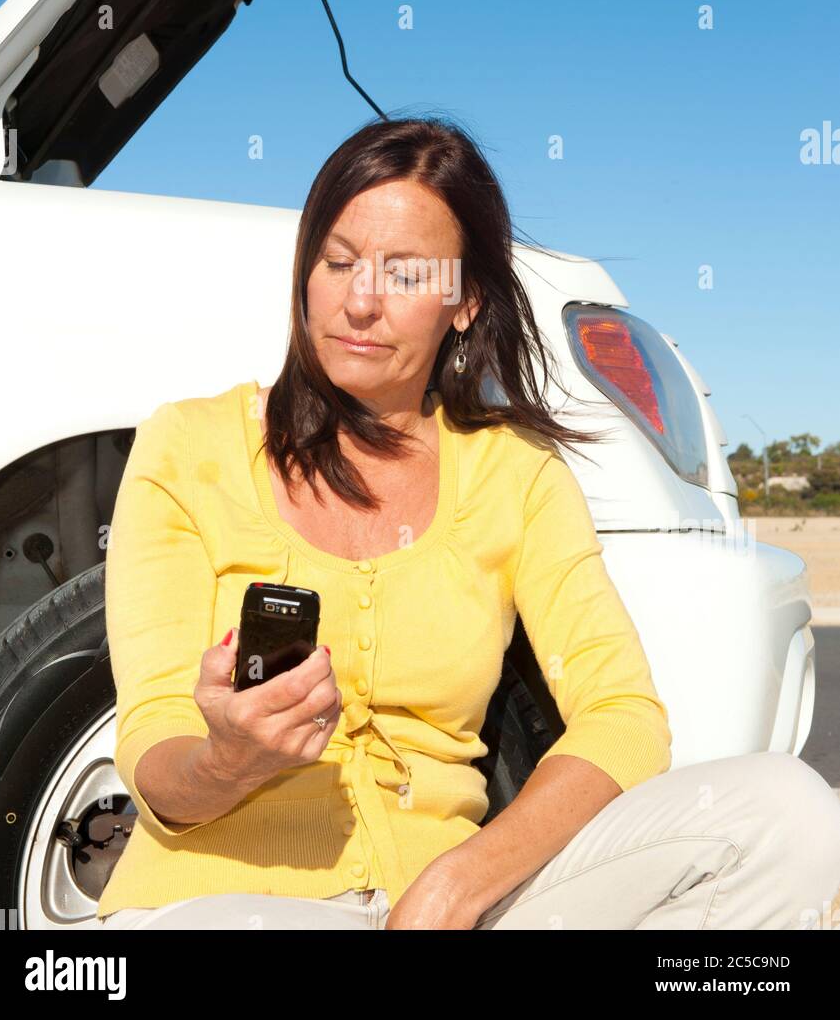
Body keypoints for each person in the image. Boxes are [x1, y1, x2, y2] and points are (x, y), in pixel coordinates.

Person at [97, 115, 840, 931]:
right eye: (336, 262)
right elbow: (154, 751)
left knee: (787, 812)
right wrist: (226, 762)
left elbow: (622, 716)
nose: (358, 301)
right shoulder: (188, 447)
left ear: (463, 302)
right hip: (225, 907)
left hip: (452, 908)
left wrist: (456, 886)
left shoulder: (514, 472)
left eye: (407, 275)